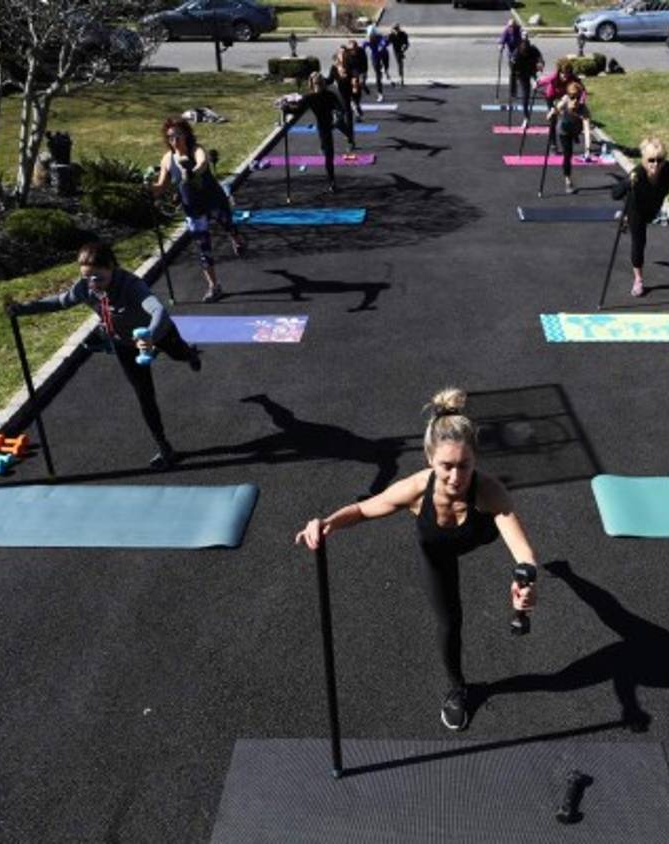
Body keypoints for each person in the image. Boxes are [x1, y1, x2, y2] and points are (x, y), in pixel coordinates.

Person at [294, 388, 540, 732]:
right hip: (437, 551)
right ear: (429, 460)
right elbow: (365, 509)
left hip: (478, 533)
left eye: (464, 466)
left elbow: (523, 552)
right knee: (449, 621)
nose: (456, 477)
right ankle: (457, 688)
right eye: (446, 467)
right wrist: (328, 523)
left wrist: (525, 580)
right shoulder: (414, 489)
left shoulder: (489, 491)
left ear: (476, 460)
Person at [5, 241, 200, 469]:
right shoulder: (85, 287)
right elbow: (60, 301)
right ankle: (165, 447)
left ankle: (191, 354)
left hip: (159, 333)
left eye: (98, 277)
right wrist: (23, 309)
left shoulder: (131, 286)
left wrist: (150, 336)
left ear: (112, 267)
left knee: (180, 354)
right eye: (87, 277)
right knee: (144, 395)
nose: (93, 284)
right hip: (125, 344)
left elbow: (158, 310)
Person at [150, 117, 245, 303]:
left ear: (186, 135)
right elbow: (161, 186)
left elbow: (202, 163)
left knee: (227, 224)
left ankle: (236, 238)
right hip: (192, 208)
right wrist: (147, 188)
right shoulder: (167, 159)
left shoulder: (196, 150)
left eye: (178, 135)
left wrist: (192, 171)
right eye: (170, 137)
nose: (174, 140)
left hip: (213, 199)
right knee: (203, 247)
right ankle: (214, 286)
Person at [610, 137, 669, 298]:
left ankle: (626, 219)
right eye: (651, 160)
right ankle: (638, 280)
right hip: (636, 209)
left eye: (660, 160)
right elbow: (614, 194)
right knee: (639, 241)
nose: (655, 164)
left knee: (650, 219)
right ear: (643, 159)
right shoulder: (637, 173)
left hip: (654, 208)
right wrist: (627, 183)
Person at [287, 72, 358, 193]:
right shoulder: (324, 95)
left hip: (327, 124)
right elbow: (340, 107)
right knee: (328, 153)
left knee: (328, 153)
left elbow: (297, 110)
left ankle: (332, 181)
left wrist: (284, 105)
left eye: (317, 84)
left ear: (312, 84)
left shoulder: (311, 97)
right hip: (328, 124)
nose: (317, 86)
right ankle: (332, 181)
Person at [548, 81, 594, 194]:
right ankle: (568, 180)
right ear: (568, 95)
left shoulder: (584, 109)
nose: (575, 100)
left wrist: (587, 149)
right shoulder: (565, 100)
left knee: (576, 130)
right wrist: (551, 114)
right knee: (568, 155)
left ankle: (575, 136)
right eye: (572, 97)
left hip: (576, 129)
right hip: (563, 131)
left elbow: (587, 131)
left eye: (577, 97)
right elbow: (555, 110)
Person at [326, 47, 362, 137]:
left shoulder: (350, 66)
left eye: (344, 53)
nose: (342, 55)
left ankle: (350, 140)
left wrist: (354, 81)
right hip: (339, 97)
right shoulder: (334, 68)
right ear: (337, 55)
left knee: (348, 118)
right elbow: (329, 80)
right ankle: (348, 134)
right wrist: (319, 79)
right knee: (337, 122)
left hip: (349, 96)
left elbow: (355, 75)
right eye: (340, 53)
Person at [509, 34, 544, 122]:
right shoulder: (516, 54)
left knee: (542, 86)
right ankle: (526, 116)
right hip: (522, 73)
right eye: (524, 52)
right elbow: (513, 71)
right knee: (526, 94)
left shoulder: (533, 49)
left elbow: (540, 58)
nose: (525, 53)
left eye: (526, 52)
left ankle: (550, 106)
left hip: (533, 70)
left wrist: (540, 64)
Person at [362, 26, 393, 102]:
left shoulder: (381, 37)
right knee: (378, 76)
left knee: (386, 67)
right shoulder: (367, 39)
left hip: (384, 55)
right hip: (375, 57)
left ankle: (386, 71)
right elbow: (362, 48)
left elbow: (385, 43)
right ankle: (380, 93)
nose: (370, 37)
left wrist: (387, 39)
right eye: (369, 36)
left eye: (372, 36)